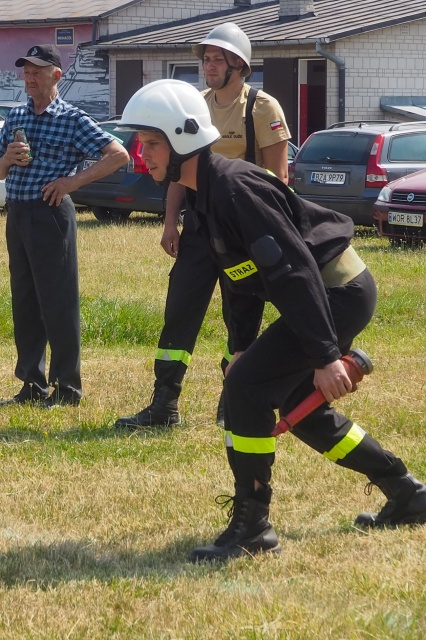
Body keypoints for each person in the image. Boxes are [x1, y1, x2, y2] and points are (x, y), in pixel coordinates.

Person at [118, 78, 426, 561]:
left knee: (246, 390)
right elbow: (241, 277)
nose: (143, 154)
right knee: (301, 409)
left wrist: (325, 356)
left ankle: (253, 528)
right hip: (322, 294)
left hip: (336, 293)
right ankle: (406, 492)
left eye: (151, 143)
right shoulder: (205, 193)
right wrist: (242, 345)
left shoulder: (234, 189)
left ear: (182, 139)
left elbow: (292, 270)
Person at [115, 23, 291, 430]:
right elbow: (178, 169)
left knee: (241, 315)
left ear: (239, 65)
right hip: (199, 225)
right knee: (180, 310)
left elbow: (278, 179)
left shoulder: (263, 108)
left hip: (243, 230)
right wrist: (170, 223)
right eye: (206, 59)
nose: (208, 66)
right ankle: (164, 404)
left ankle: (235, 399)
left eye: (217, 59)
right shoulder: (193, 104)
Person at [0, 44, 129, 407]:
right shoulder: (16, 116)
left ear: (56, 75)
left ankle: (67, 388)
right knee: (25, 300)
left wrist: (72, 182)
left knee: (57, 301)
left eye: (37, 72)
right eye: (26, 72)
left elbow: (118, 154)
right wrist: (6, 160)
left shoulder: (72, 118)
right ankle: (32, 384)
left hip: (51, 213)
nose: (29, 78)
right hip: (18, 212)